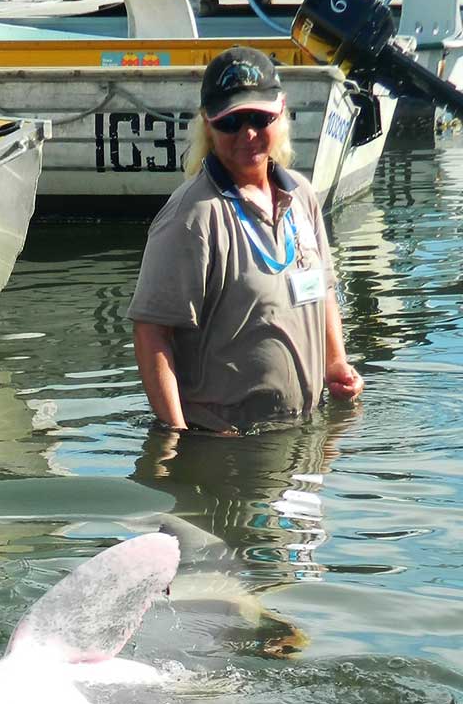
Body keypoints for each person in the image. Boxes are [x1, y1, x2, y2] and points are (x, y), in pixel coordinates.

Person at [128, 46, 364, 435]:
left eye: (259, 117)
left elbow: (322, 289)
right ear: (207, 123)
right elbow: (151, 331)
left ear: (281, 110)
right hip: (224, 445)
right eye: (231, 122)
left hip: (302, 435)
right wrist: (176, 436)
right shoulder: (192, 215)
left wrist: (335, 363)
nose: (248, 134)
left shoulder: (302, 195)